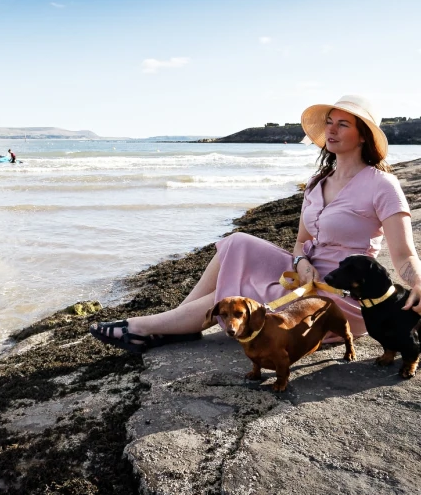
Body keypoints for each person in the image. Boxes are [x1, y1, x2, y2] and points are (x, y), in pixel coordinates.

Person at [90, 94, 421, 353]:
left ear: (363, 136)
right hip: (304, 278)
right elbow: (299, 244)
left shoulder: (382, 185)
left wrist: (418, 282)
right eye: (329, 122)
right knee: (237, 241)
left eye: (343, 125)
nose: (331, 130)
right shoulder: (318, 181)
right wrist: (301, 261)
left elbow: (403, 253)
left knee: (241, 293)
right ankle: (179, 322)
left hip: (338, 297)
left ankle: (147, 327)